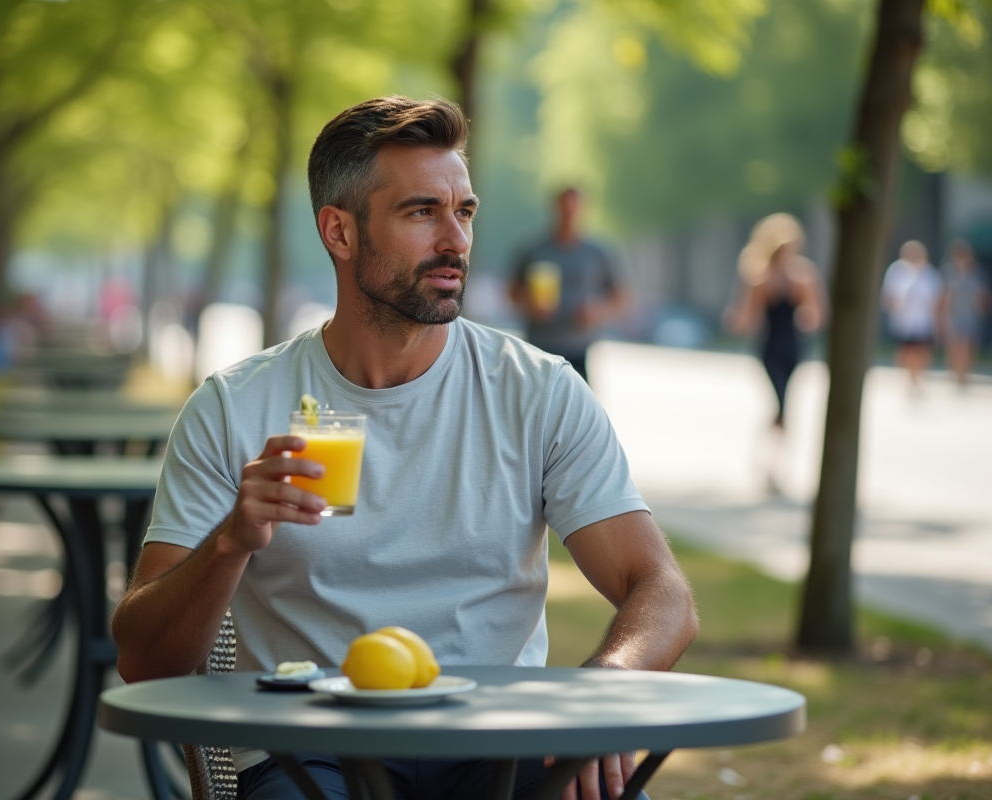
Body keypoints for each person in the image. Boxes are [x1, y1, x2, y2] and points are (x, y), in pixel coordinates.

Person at [112, 96, 698, 800]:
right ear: (340, 232)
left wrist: (600, 695)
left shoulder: (538, 392)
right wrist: (233, 540)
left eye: (465, 211)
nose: (456, 239)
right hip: (309, 748)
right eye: (422, 212)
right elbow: (145, 660)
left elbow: (663, 592)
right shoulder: (233, 407)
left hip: (497, 741)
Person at [723, 213, 826, 493]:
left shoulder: (803, 274)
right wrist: (736, 321)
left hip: (794, 347)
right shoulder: (758, 276)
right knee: (780, 405)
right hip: (770, 348)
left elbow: (816, 312)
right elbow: (747, 316)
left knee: (784, 407)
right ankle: (770, 465)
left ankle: (772, 464)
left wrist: (809, 316)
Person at [508, 188, 629, 383]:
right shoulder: (533, 251)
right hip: (538, 346)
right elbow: (512, 292)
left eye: (573, 209)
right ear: (555, 209)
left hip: (578, 348)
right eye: (564, 208)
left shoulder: (598, 253)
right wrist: (530, 306)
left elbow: (621, 297)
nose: (568, 215)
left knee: (576, 408)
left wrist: (597, 312)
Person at [880, 240, 943, 392]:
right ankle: (909, 377)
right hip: (903, 321)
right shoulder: (896, 270)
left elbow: (938, 299)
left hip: (923, 321)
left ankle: (919, 376)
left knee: (922, 350)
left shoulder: (929, 273)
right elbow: (888, 295)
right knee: (906, 351)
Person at [940, 238, 992, 387]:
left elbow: (984, 295)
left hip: (971, 315)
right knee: (954, 345)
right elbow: (943, 295)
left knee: (968, 345)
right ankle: (955, 373)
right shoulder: (948, 272)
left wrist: (983, 308)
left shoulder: (977, 273)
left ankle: (964, 375)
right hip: (953, 315)